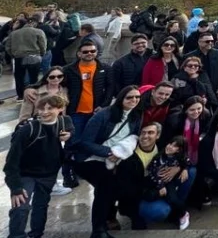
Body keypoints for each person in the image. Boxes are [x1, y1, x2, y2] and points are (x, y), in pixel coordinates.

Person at [74, 85, 143, 238]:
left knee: (131, 174)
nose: (134, 100)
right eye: (130, 97)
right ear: (121, 98)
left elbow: (133, 137)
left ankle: (126, 213)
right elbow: (85, 142)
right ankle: (98, 230)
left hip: (117, 157)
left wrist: (120, 153)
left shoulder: (136, 116)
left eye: (137, 97)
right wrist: (109, 152)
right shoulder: (103, 115)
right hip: (91, 158)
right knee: (106, 186)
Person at [5, 94, 73, 238]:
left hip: (48, 174)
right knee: (20, 207)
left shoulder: (64, 121)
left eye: (50, 108)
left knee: (41, 206)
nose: (44, 112)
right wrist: (15, 187)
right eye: (41, 108)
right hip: (25, 174)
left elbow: (70, 128)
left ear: (60, 109)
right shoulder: (27, 129)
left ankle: (36, 234)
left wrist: (69, 134)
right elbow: (11, 162)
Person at [62, 40, 111, 189]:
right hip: (76, 112)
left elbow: (110, 88)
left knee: (91, 142)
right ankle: (68, 173)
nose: (89, 54)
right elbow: (50, 80)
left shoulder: (105, 68)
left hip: (95, 113)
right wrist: (31, 88)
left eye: (92, 51)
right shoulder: (69, 69)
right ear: (79, 53)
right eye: (86, 51)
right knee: (72, 143)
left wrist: (103, 105)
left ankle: (82, 169)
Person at [142, 135, 193, 229]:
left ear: (179, 150)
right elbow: (152, 172)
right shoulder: (159, 158)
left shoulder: (179, 157)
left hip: (169, 182)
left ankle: (183, 214)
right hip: (157, 182)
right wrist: (161, 186)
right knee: (152, 196)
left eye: (174, 146)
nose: (170, 147)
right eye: (170, 144)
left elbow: (188, 162)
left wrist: (184, 169)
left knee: (172, 199)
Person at [5, 14, 46, 101]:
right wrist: (42, 54)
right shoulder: (38, 32)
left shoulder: (14, 33)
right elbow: (43, 45)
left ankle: (20, 96)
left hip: (18, 57)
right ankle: (34, 94)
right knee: (34, 78)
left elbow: (7, 47)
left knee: (19, 78)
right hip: (34, 56)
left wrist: (13, 55)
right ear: (34, 23)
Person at [111, 35, 151, 99]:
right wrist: (121, 97)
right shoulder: (120, 63)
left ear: (147, 43)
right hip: (130, 96)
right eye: (136, 43)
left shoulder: (155, 58)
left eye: (143, 42)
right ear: (132, 45)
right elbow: (114, 83)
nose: (140, 45)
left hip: (150, 95)